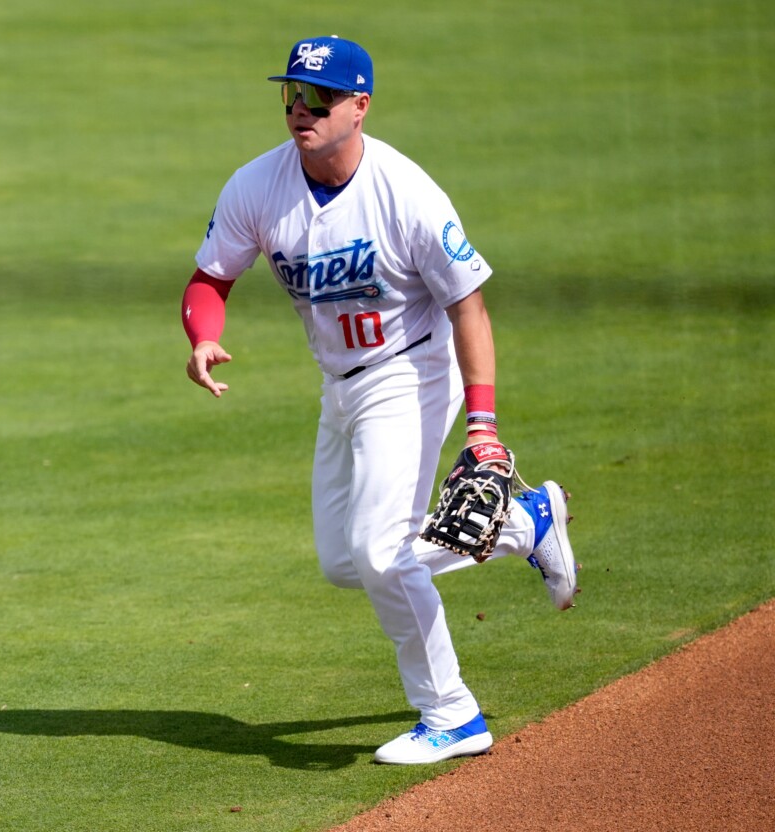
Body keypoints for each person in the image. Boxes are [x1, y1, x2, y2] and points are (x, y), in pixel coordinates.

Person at [180, 36, 578, 765]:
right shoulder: (257, 187)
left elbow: (470, 308)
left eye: (320, 98)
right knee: (345, 562)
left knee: (379, 550)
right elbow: (211, 279)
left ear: (359, 106)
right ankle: (524, 523)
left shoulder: (407, 193)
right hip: (340, 383)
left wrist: (483, 425)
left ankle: (452, 713)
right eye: (290, 95)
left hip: (413, 370)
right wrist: (204, 336)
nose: (301, 110)